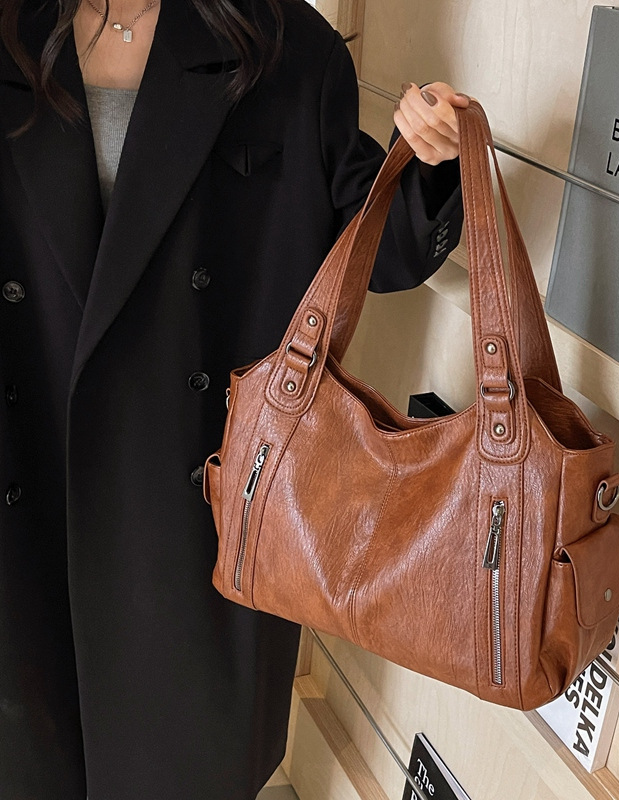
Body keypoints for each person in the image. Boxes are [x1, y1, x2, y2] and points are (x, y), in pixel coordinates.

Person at [0, 0, 467, 797]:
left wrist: (428, 161)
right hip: (27, 478)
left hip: (200, 513)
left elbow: (375, 247)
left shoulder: (282, 45)